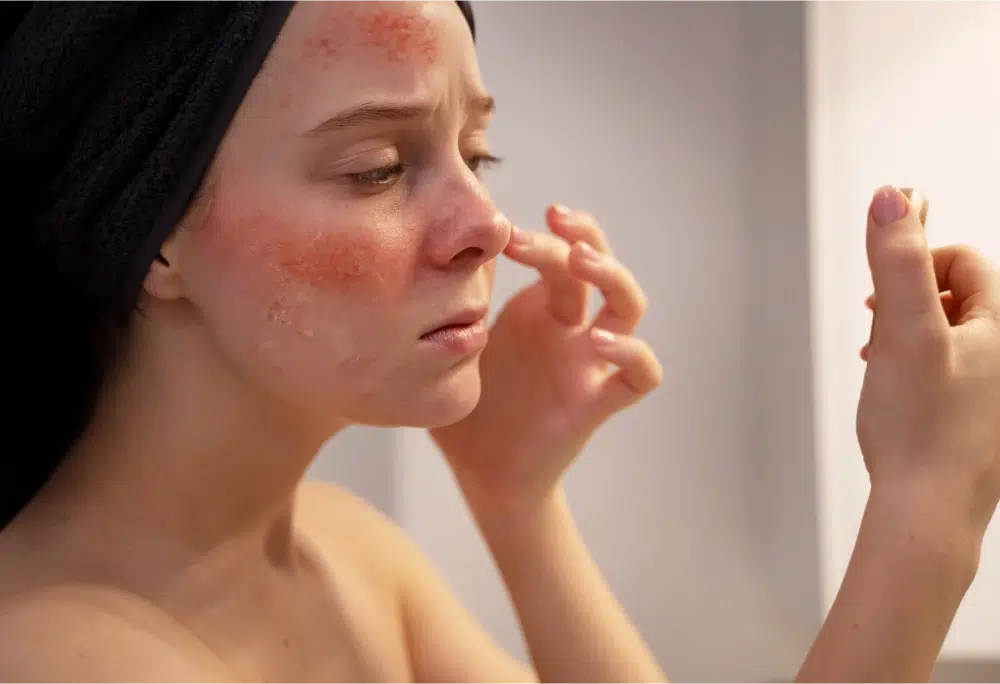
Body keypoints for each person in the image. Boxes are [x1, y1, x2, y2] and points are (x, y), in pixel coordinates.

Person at [0, 0, 998, 682]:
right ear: (149, 235)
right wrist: (927, 511)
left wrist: (515, 497)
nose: (484, 220)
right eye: (377, 168)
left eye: (478, 151)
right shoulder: (57, 652)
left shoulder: (346, 552)